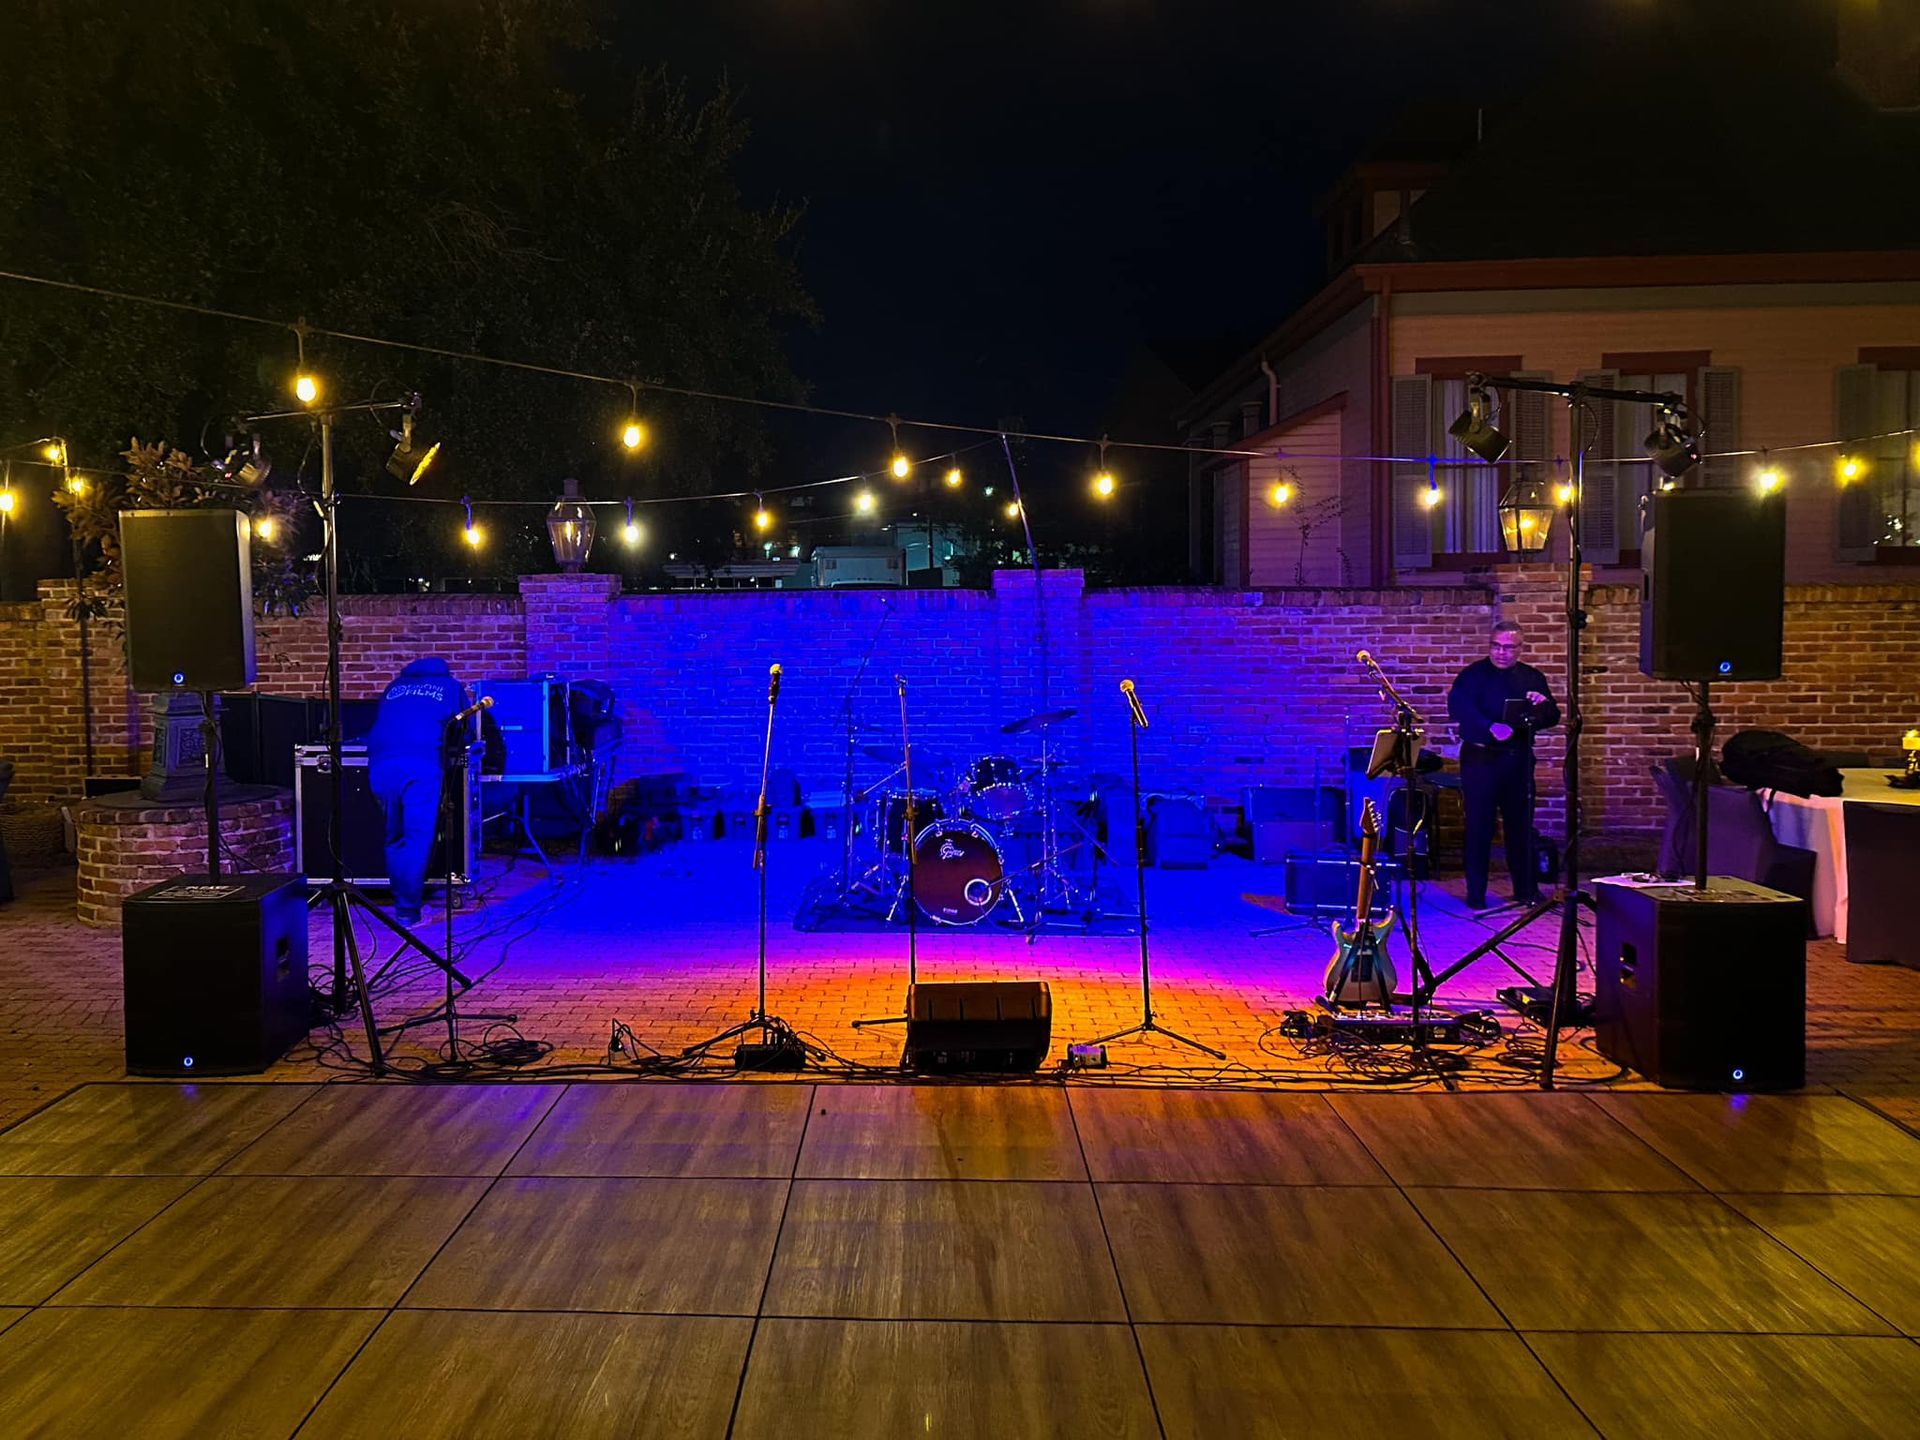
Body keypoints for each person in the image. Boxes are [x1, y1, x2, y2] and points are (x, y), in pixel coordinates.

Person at [1447, 622, 1560, 911]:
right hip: (1480, 759)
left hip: (1517, 759)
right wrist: (1489, 726)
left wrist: (1542, 705)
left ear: (1520, 649)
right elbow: (1459, 708)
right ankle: (1476, 894)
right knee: (1479, 826)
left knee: (1520, 827)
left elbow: (1551, 717)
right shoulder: (1473, 675)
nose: (1502, 652)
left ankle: (1526, 890)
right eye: (1496, 646)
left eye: (1509, 647)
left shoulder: (1531, 677)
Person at [366, 657, 466, 924]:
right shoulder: (450, 687)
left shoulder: (394, 686)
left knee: (394, 836)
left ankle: (403, 904)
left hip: (380, 764)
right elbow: (462, 729)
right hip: (421, 766)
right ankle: (408, 913)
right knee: (416, 838)